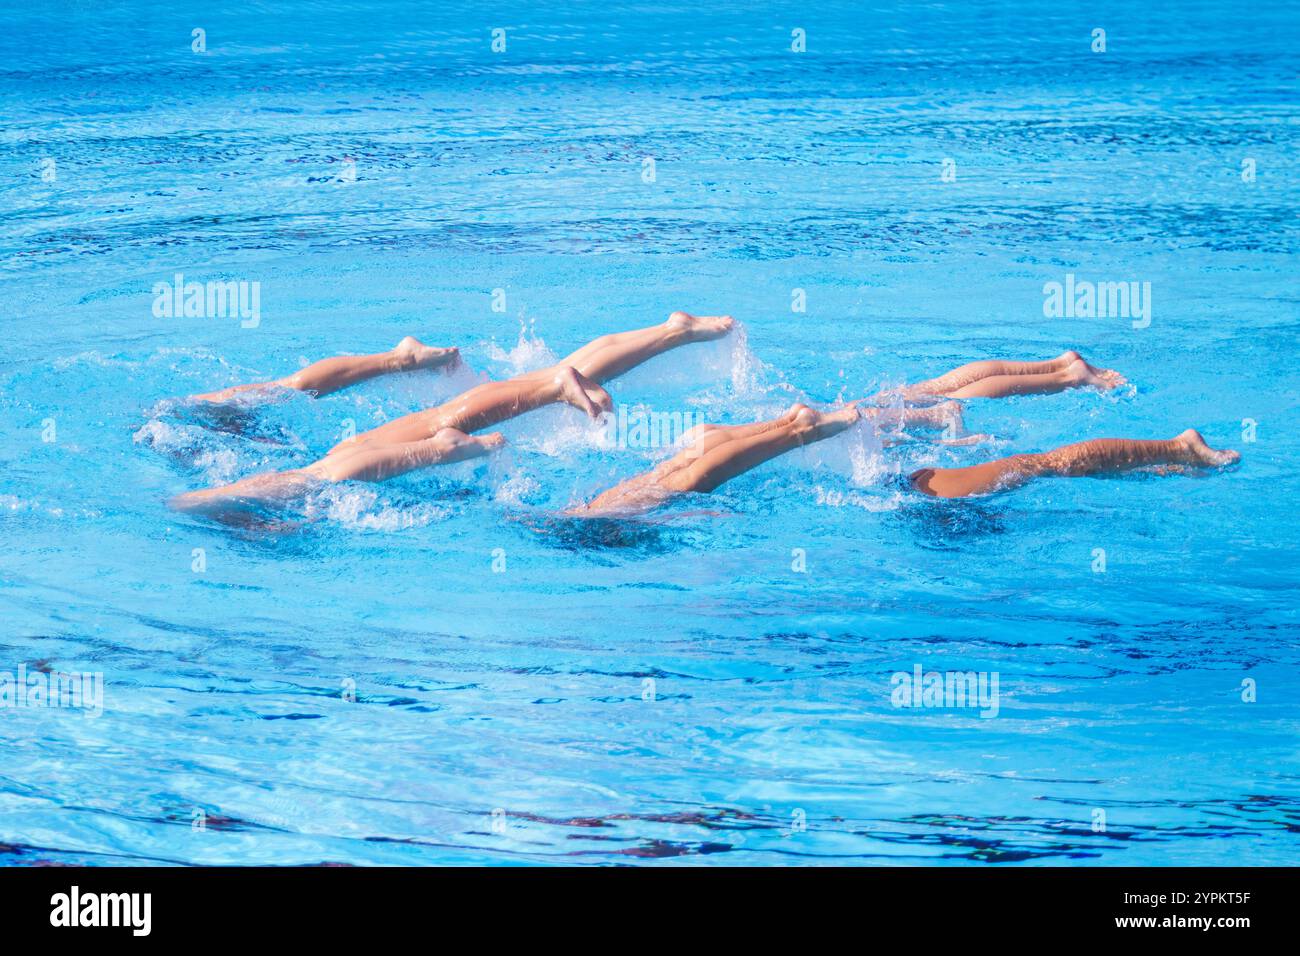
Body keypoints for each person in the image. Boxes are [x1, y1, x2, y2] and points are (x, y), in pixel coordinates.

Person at [569, 403, 863, 517]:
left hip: (589, 520)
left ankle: (801, 431)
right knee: (673, 468)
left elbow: (647, 526)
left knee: (688, 480)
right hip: (583, 512)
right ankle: (786, 422)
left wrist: (691, 515)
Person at [909, 429, 1239, 498]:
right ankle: (1168, 466)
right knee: (1052, 473)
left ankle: (1179, 447)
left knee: (1043, 465)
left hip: (917, 487)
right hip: (914, 487)